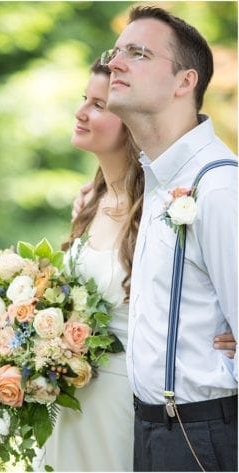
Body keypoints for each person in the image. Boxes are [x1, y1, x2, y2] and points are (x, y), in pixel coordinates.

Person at [44, 60, 236, 471]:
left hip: (130, 401)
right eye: (85, 100)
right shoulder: (88, 201)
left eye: (100, 104)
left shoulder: (162, 205)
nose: (82, 112)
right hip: (74, 396)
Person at [102, 6, 237, 471]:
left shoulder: (218, 187)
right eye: (116, 52)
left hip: (205, 437)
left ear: (185, 82)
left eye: (137, 53)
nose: (115, 64)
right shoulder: (160, 182)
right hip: (150, 430)